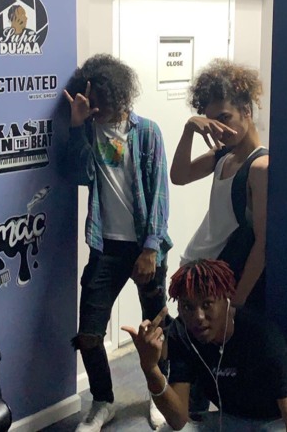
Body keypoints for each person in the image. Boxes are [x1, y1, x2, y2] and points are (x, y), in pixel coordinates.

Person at [64, 54, 173, 432]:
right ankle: (103, 402)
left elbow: (160, 196)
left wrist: (150, 249)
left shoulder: (147, 132)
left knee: (156, 330)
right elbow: (78, 174)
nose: (96, 110)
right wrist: (77, 124)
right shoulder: (89, 130)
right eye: (91, 104)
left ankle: (160, 396)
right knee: (89, 334)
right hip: (105, 247)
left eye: (100, 103)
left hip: (145, 247)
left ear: (118, 96)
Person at [122, 259, 287, 431]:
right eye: (188, 307)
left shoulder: (261, 335)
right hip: (227, 420)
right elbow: (178, 420)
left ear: (226, 298)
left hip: (272, 423)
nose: (198, 317)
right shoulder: (182, 334)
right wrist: (150, 368)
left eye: (207, 304)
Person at [170, 59, 268, 311]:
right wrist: (189, 129)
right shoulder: (223, 155)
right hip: (196, 268)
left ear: (246, 111)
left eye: (225, 118)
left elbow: (263, 243)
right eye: (212, 122)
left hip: (221, 284)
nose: (219, 129)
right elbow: (179, 176)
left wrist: (237, 301)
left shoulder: (259, 167)